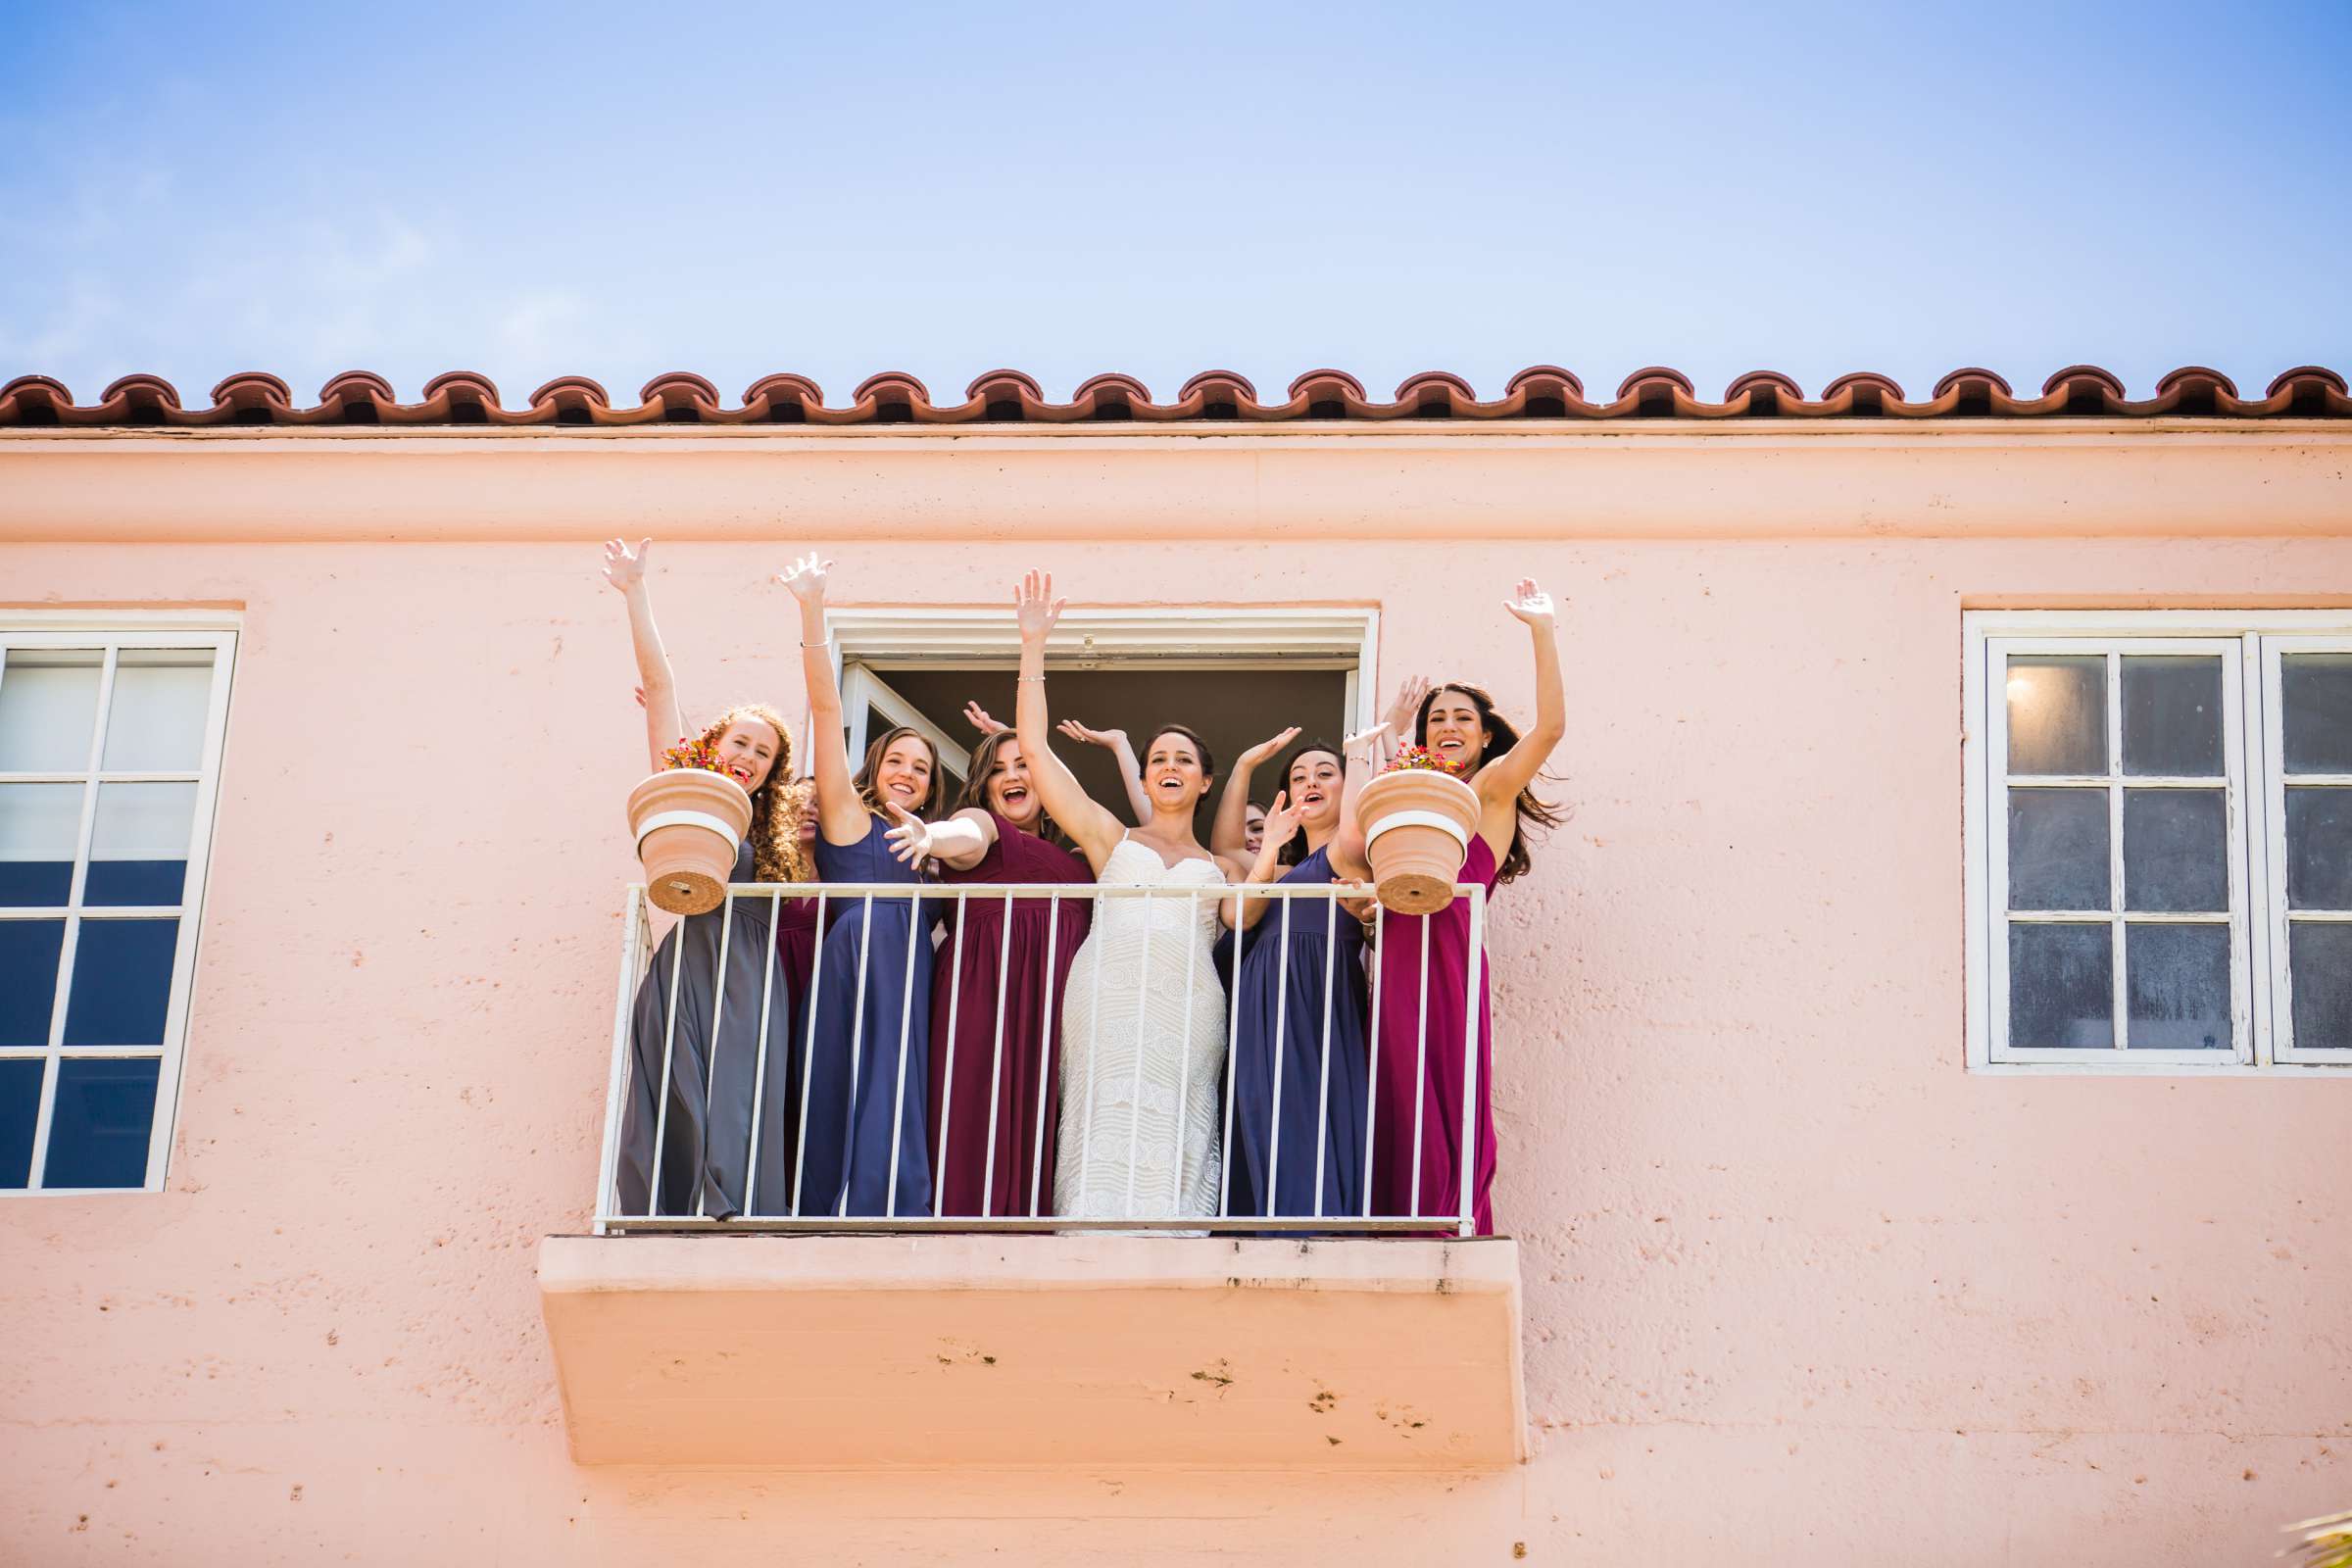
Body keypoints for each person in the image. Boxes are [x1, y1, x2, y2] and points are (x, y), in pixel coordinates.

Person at [1009, 570, 1248, 1221]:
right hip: (1107, 992)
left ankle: (1174, 1234)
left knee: (1180, 1110)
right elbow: (1033, 748)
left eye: (1183, 761)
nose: (1169, 768)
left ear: (1204, 781)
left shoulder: (1225, 863)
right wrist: (1033, 646)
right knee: (1099, 1109)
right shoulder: (1110, 837)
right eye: (1158, 760)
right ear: (1144, 775)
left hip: (1190, 1002)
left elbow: (1256, 907)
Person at [1332, 580, 1564, 1235]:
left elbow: (1550, 729)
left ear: (1486, 737)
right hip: (1399, 955)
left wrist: (1541, 629)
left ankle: (1447, 1225)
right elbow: (1353, 851)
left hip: (1452, 958)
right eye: (1439, 720)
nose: (1450, 727)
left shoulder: (1489, 792)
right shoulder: (1404, 802)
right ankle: (1403, 1222)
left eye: (1463, 718)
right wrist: (1391, 738)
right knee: (1398, 1091)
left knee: (1449, 1087)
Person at [604, 538, 812, 1219]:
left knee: (737, 1093)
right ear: (715, 744)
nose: (749, 757)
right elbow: (661, 687)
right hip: (693, 955)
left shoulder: (769, 831)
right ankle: (675, 1210)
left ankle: (735, 1212)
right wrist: (636, 589)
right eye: (740, 742)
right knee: (676, 1082)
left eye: (764, 751)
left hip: (752, 970)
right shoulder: (691, 795)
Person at [780, 553, 947, 1218]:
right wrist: (812, 609)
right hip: (858, 953)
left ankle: (893, 1202)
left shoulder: (932, 847)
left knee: (903, 1081)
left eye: (923, 769)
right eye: (898, 761)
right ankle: (832, 1202)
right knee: (846, 1076)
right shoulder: (849, 818)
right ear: (875, 768)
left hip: (912, 964)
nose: (908, 774)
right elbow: (826, 708)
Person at [882, 727, 1096, 1219]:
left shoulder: (1083, 860)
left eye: (1024, 765)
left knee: (1053, 1116)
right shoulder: (986, 826)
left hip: (1057, 1006)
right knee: (977, 1106)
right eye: (998, 769)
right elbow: (967, 835)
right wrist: (929, 835)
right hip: (986, 992)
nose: (1012, 777)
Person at [1218, 741, 1372, 1220]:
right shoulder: (1284, 870)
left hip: (1309, 1000)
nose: (1310, 782)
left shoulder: (1346, 853)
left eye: (1326, 773)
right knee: (1264, 1116)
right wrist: (1243, 763)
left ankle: (1308, 1230)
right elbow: (1225, 852)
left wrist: (1369, 746)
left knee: (1302, 1113)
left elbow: (1356, 825)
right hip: (1263, 1010)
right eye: (1299, 776)